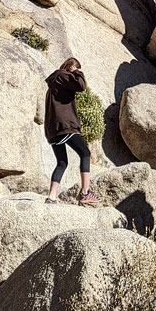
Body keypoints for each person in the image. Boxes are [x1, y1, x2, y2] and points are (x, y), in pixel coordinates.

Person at [43, 57, 100, 206]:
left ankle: (51, 197)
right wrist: (78, 73)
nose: (75, 72)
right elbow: (81, 86)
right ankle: (85, 193)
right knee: (85, 153)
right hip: (65, 125)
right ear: (70, 67)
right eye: (74, 68)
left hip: (53, 129)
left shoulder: (53, 84)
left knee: (62, 162)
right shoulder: (63, 75)